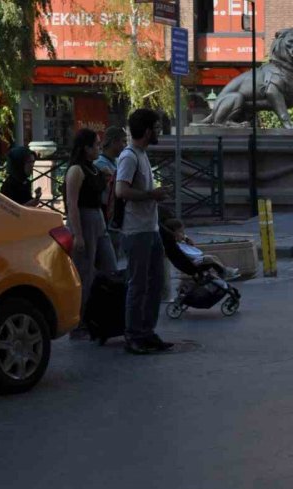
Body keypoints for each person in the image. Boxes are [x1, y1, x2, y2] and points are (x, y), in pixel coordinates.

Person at [116, 109, 172, 354]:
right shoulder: (129, 156)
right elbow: (121, 191)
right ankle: (133, 335)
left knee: (156, 281)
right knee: (137, 284)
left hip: (150, 228)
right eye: (157, 127)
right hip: (136, 230)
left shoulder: (142, 154)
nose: (159, 132)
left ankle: (147, 331)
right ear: (148, 130)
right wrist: (151, 195)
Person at [65, 129, 118, 339]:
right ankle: (78, 323)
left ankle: (101, 317)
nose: (99, 148)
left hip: (98, 220)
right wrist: (77, 234)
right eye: (96, 145)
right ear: (85, 148)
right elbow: (72, 203)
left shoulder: (94, 169)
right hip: (84, 220)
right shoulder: (76, 170)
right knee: (84, 273)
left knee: (110, 268)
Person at [162, 218, 240, 280]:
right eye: (181, 232)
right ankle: (224, 272)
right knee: (210, 258)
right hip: (190, 263)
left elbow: (190, 247)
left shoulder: (181, 242)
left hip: (193, 261)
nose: (183, 235)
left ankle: (224, 271)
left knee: (214, 257)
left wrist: (186, 240)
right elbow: (185, 255)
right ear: (172, 233)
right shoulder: (173, 245)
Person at [95, 126, 127, 218]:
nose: (126, 145)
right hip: (106, 210)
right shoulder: (100, 163)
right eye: (123, 141)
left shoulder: (117, 160)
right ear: (113, 142)